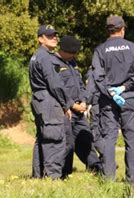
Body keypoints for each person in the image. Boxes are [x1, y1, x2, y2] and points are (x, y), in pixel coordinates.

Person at [90, 15, 134, 186]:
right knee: (132, 140)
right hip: (129, 99)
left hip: (108, 100)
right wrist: (124, 88)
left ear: (108, 30)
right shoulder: (133, 48)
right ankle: (133, 182)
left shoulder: (100, 50)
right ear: (123, 29)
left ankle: (108, 180)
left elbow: (97, 77)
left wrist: (111, 92)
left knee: (108, 139)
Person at [29, 25, 84, 179]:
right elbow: (55, 84)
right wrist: (68, 105)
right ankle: (52, 178)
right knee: (55, 138)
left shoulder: (36, 56)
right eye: (49, 36)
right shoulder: (46, 57)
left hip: (39, 100)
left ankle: (38, 176)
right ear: (40, 39)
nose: (54, 38)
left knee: (42, 138)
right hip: (48, 102)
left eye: (55, 35)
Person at [52, 35, 102, 177]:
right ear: (64, 50)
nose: (74, 55)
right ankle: (64, 172)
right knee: (68, 143)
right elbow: (57, 88)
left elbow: (79, 84)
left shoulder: (72, 63)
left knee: (85, 139)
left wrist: (84, 101)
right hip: (66, 110)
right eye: (72, 52)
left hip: (79, 110)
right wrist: (72, 105)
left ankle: (95, 167)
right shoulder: (54, 64)